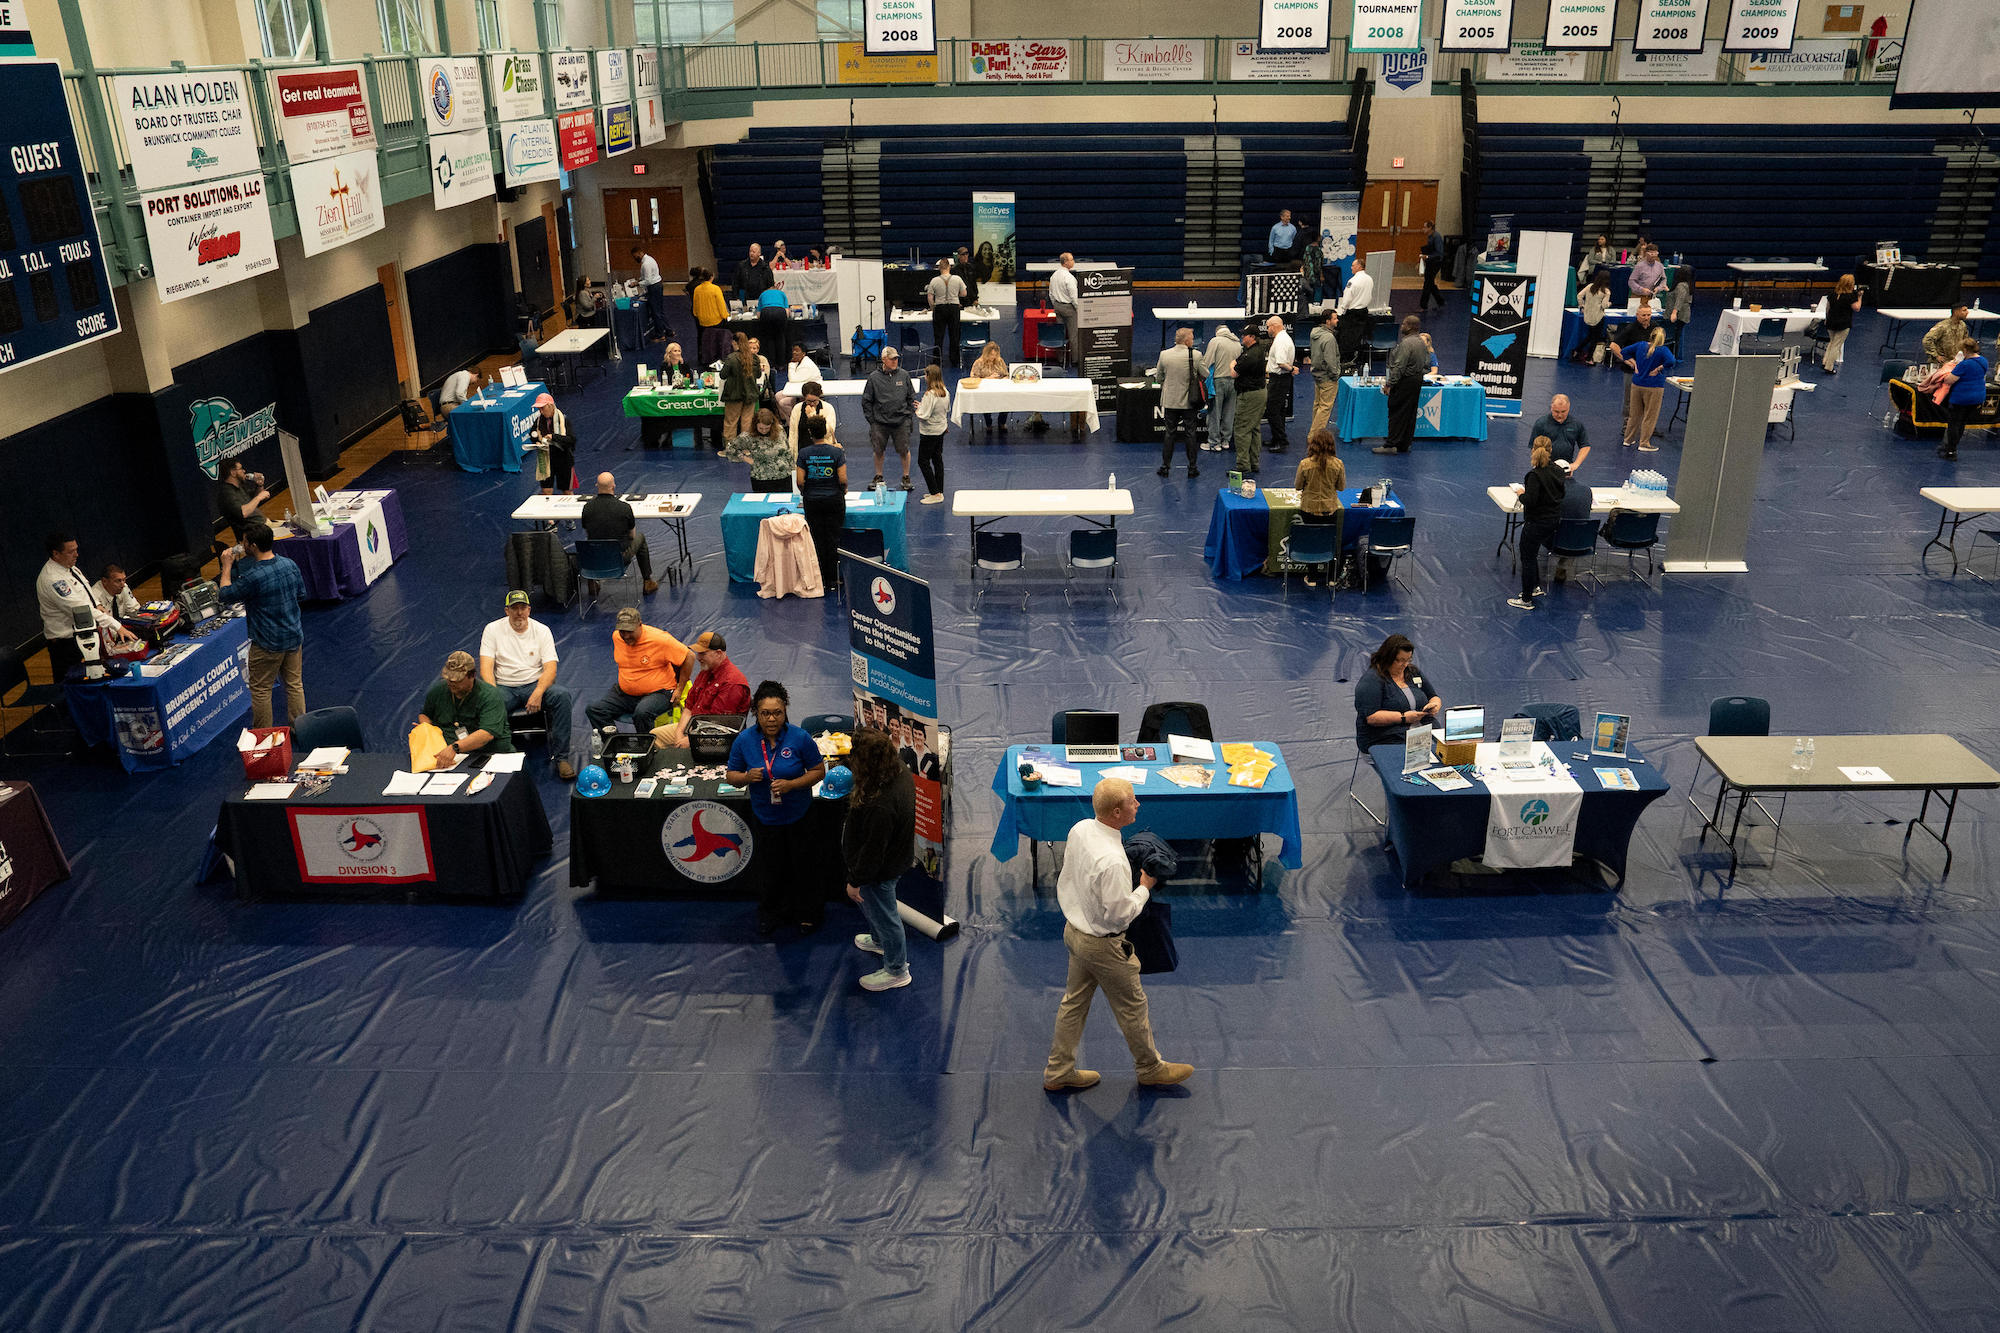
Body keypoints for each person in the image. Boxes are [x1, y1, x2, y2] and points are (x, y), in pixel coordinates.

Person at [1042, 776, 1195, 1093]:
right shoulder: (1113, 863)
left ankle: (1058, 1071)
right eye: (1132, 801)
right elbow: (1120, 913)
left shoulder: (1081, 829)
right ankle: (1150, 1068)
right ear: (1115, 812)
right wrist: (1144, 888)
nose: (1138, 804)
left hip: (1076, 933)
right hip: (1104, 946)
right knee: (1133, 1007)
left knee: (1074, 1003)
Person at [726, 680, 827, 936]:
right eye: (765, 713)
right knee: (771, 869)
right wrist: (747, 777)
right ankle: (772, 912)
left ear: (785, 711)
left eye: (777, 712)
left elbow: (818, 771)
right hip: (765, 817)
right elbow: (731, 775)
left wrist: (793, 784)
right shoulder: (744, 741)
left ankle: (808, 913)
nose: (771, 719)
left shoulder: (800, 737)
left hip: (799, 815)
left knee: (804, 866)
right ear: (756, 714)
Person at [843, 726, 915, 991]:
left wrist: (855, 880)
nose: (851, 761)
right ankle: (878, 940)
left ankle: (897, 970)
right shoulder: (897, 769)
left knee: (886, 917)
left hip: (879, 872)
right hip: (893, 860)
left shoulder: (880, 804)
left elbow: (873, 852)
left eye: (855, 757)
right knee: (876, 910)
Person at [476, 591, 575, 778]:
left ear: (529, 610)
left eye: (523, 608)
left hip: (534, 684)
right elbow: (486, 668)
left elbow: (550, 669)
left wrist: (538, 692)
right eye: (514, 608)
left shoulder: (542, 630)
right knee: (486, 706)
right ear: (507, 611)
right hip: (504, 687)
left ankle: (562, 758)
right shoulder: (492, 629)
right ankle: (496, 755)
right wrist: (493, 695)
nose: (519, 613)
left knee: (561, 696)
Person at [215, 523, 304, 728]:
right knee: (294, 685)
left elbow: (225, 595)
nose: (242, 545)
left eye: (244, 542)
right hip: (293, 636)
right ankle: (301, 729)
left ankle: (264, 737)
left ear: (253, 545)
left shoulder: (253, 576)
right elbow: (301, 594)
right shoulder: (290, 564)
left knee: (262, 690)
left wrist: (227, 566)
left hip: (267, 643)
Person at [36, 533, 136, 679]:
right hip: (66, 646)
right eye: (71, 551)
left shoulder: (71, 568)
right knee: (72, 689)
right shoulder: (53, 579)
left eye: (76, 549)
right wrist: (116, 625)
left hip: (84, 637)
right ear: (55, 553)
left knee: (92, 681)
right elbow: (82, 611)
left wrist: (97, 604)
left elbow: (85, 592)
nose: (76, 554)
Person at [585, 607, 692, 736]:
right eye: (622, 631)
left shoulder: (660, 639)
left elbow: (689, 656)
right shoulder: (616, 637)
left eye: (630, 631)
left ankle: (647, 749)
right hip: (625, 694)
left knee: (642, 713)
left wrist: (680, 689)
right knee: (595, 710)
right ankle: (616, 746)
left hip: (659, 692)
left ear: (640, 625)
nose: (626, 636)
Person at [655, 630, 751, 747]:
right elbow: (689, 707)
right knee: (655, 736)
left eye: (703, 653)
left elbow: (719, 725)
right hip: (694, 726)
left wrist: (691, 740)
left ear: (719, 653)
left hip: (718, 736)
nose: (698, 657)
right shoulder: (705, 672)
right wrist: (679, 732)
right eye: (698, 653)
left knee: (684, 746)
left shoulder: (732, 683)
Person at [419, 650, 514, 768]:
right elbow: (425, 715)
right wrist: (426, 729)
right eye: (449, 678)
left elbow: (486, 734)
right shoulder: (438, 690)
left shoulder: (490, 695)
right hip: (450, 757)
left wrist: (455, 747)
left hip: (488, 753)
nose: (451, 682)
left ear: (472, 676)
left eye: (457, 679)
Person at [1353, 633, 1441, 752]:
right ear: (1387, 657)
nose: (1404, 665)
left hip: (1423, 734)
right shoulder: (1372, 680)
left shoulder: (1412, 671)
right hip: (1386, 740)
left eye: (1408, 660)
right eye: (1400, 660)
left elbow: (1433, 696)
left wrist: (1434, 705)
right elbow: (1372, 717)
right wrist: (1404, 718)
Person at [581, 472, 660, 594]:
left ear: (597, 486)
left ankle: (592, 582)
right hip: (618, 559)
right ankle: (647, 581)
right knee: (640, 537)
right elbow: (632, 536)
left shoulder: (587, 507)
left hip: (595, 559)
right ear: (613, 486)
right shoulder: (624, 508)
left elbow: (588, 533)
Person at [1509, 444, 1566, 610]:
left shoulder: (1534, 475)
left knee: (1528, 557)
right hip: (1553, 521)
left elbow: (1529, 500)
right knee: (1532, 555)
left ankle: (1526, 599)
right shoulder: (1558, 471)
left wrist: (1521, 493)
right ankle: (1534, 587)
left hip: (1536, 522)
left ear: (1533, 450)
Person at [795, 414, 848, 590]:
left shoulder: (804, 453)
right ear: (825, 431)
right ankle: (834, 579)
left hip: (813, 501)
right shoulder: (836, 452)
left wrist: (807, 492)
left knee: (817, 539)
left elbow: (800, 481)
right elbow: (842, 478)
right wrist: (842, 491)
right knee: (833, 538)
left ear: (810, 433)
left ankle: (820, 579)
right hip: (834, 500)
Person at [1294, 430, 1345, 587]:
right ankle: (1332, 577)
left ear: (1313, 445)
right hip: (1329, 509)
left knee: (1311, 541)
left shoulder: (1305, 464)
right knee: (1330, 541)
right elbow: (1341, 487)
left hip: (1309, 509)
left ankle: (1312, 577)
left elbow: (1298, 486)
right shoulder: (1338, 464)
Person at [862, 345, 917, 491]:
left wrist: (908, 415)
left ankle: (906, 477)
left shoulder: (904, 375)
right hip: (880, 423)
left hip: (901, 421)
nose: (895, 361)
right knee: (878, 450)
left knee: (904, 450)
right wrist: (872, 421)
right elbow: (866, 400)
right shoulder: (874, 378)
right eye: (892, 359)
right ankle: (878, 476)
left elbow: (911, 396)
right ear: (884, 360)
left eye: (896, 359)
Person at [1150, 326, 1203, 479]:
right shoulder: (1196, 355)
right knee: (1190, 433)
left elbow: (1158, 377)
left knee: (1169, 433)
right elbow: (1204, 374)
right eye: (1192, 338)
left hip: (1170, 400)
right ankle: (1192, 468)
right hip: (1189, 401)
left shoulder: (1164, 355)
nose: (1193, 340)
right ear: (1187, 341)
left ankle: (1165, 467)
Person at [1376, 315, 1428, 456]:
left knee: (1396, 411)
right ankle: (1404, 444)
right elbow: (1427, 365)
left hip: (1405, 381)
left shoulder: (1406, 344)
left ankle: (1391, 445)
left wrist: (1389, 384)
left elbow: (1399, 366)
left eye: (1404, 324)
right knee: (1410, 413)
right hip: (1417, 380)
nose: (1402, 326)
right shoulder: (1421, 342)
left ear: (1410, 326)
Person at [1620, 326, 1676, 453]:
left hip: (1637, 384)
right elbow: (1671, 361)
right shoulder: (1663, 350)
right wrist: (1659, 368)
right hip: (1654, 386)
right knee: (1650, 415)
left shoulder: (1640, 345)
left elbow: (1624, 352)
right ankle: (1644, 442)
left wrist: (1634, 364)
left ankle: (1628, 439)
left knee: (1634, 414)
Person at [1938, 337, 1989, 461]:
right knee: (1962, 423)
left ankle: (1951, 451)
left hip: (1962, 398)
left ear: (1965, 350)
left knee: (1954, 424)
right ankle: (1953, 447)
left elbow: (1949, 380)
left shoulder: (1964, 365)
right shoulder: (1983, 361)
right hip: (1977, 397)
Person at [725, 407, 795, 496]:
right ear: (755, 425)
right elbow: (730, 448)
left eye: (767, 428)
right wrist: (745, 458)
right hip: (761, 479)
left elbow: (787, 451)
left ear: (772, 425)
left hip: (784, 476)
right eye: (761, 428)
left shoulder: (780, 430)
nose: (764, 431)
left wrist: (793, 470)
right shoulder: (748, 437)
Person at [1230, 324, 1269, 477]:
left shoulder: (1250, 355)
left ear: (1252, 337)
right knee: (1254, 428)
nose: (1242, 337)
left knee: (1241, 429)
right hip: (1259, 393)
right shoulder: (1256, 351)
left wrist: (1232, 364)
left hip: (1249, 395)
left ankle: (1243, 466)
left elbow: (1233, 372)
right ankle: (1253, 463)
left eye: (1244, 335)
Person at [1615, 306, 1657, 442]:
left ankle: (1647, 426)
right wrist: (1628, 361)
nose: (1646, 318)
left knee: (1649, 400)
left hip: (1649, 371)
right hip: (1632, 372)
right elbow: (1614, 346)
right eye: (1643, 315)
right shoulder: (1630, 329)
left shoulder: (1655, 328)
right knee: (1630, 400)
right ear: (1637, 315)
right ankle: (1626, 426)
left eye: (1649, 315)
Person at [719, 332, 766, 442]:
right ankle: (746, 448)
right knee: (747, 422)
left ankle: (730, 449)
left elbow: (723, 375)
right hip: (750, 394)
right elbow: (758, 375)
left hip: (733, 395)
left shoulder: (731, 358)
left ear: (734, 342)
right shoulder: (754, 358)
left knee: (731, 422)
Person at [1202, 321, 1241, 452]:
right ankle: (1226, 441)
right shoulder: (1237, 343)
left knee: (1214, 413)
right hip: (1234, 382)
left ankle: (1214, 443)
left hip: (1218, 382)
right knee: (1229, 413)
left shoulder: (1215, 341)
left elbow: (1207, 362)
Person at [915, 364, 951, 504]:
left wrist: (918, 410)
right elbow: (944, 409)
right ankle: (939, 490)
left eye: (926, 375)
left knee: (923, 461)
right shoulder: (945, 391)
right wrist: (922, 405)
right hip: (940, 430)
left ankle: (935, 493)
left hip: (929, 432)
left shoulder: (930, 394)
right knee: (937, 459)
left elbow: (923, 415)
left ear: (929, 377)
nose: (925, 378)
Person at [526, 392, 575, 494]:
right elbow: (533, 433)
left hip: (563, 460)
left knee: (567, 492)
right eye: (539, 409)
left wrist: (554, 437)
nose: (541, 411)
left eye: (542, 408)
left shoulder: (563, 420)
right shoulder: (539, 420)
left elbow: (571, 440)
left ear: (550, 406)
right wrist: (537, 441)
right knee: (546, 491)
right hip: (546, 459)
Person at [926, 258, 968, 371]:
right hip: (953, 308)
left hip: (940, 308)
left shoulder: (934, 280)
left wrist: (933, 307)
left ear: (939, 268)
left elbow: (930, 297)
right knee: (954, 335)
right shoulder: (957, 279)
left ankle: (937, 360)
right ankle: (954, 360)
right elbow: (964, 293)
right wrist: (955, 294)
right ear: (949, 267)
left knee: (938, 336)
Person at [1263, 314, 1297, 454]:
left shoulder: (1281, 341)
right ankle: (1278, 438)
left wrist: (1292, 369)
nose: (1267, 329)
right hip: (1281, 379)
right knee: (1279, 410)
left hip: (1279, 378)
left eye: (1268, 327)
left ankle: (1280, 440)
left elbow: (1281, 363)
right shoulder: (1282, 338)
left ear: (1275, 326)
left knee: (1272, 410)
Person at [1530, 394, 1590, 472]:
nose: (1560, 415)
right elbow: (1534, 447)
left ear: (1569, 408)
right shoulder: (1541, 423)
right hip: (1544, 468)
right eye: (1556, 411)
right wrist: (1539, 465)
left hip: (1565, 468)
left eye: (1563, 411)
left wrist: (1576, 464)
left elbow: (1585, 446)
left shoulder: (1576, 424)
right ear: (1551, 408)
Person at [214, 458, 269, 544]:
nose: (244, 471)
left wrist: (260, 485)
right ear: (233, 472)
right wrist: (259, 498)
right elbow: (243, 512)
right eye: (241, 469)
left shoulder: (240, 486)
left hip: (262, 526)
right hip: (253, 535)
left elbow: (253, 502)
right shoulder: (226, 494)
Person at [1336, 254, 1375, 369]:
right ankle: (1357, 358)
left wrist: (1341, 312)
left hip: (1352, 313)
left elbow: (1347, 299)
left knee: (1347, 337)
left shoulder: (1352, 281)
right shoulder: (1369, 279)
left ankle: (1345, 360)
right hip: (1364, 312)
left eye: (1353, 266)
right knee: (1358, 336)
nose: (1351, 268)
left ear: (1359, 266)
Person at [1308, 306, 1341, 436]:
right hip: (1328, 377)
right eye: (1335, 318)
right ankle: (1314, 437)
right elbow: (1331, 360)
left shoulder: (1315, 334)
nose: (1337, 320)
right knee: (1325, 408)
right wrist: (1336, 374)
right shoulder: (1329, 338)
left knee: (1318, 405)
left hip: (1317, 374)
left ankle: (1314, 433)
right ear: (1328, 321)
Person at [1572, 271, 1615, 366]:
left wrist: (1582, 306)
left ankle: (1577, 350)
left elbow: (1579, 296)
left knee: (1590, 336)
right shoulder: (1606, 291)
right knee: (1594, 338)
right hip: (1598, 317)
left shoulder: (1590, 286)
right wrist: (1609, 304)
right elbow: (1604, 305)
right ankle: (1589, 358)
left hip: (1588, 315)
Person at [967, 341, 1010, 434]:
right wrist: (988, 378)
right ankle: (988, 424)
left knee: (1007, 399)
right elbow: (973, 378)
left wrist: (1002, 379)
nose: (993, 357)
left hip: (999, 388)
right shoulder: (978, 363)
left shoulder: (999, 361)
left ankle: (1002, 422)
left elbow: (1006, 375)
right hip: (984, 389)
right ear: (986, 353)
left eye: (995, 355)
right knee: (986, 402)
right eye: (991, 355)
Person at [690, 266, 729, 366]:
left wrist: (698, 315)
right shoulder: (715, 289)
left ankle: (704, 358)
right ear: (711, 277)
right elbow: (721, 305)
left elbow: (695, 306)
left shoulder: (697, 289)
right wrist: (725, 316)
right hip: (716, 321)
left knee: (704, 339)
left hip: (702, 321)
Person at [1823, 274, 1862, 373]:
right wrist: (1860, 297)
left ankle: (1825, 361)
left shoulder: (1832, 294)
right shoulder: (1850, 296)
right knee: (1837, 345)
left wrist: (1826, 319)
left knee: (1832, 342)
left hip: (1831, 321)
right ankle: (1829, 366)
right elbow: (1857, 308)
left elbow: (1828, 308)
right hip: (1843, 323)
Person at [629, 244, 668, 342]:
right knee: (660, 310)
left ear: (639, 253)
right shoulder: (650, 259)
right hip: (657, 285)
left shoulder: (646, 264)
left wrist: (637, 283)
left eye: (635, 256)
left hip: (654, 287)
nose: (635, 259)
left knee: (656, 312)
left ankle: (660, 335)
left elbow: (649, 280)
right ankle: (668, 330)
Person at [786, 381, 838, 453]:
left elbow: (828, 432)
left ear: (819, 397)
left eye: (815, 401)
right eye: (809, 401)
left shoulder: (828, 408)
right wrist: (791, 451)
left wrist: (812, 415)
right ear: (804, 398)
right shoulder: (797, 408)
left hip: (822, 452)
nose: (812, 404)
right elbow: (793, 433)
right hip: (802, 449)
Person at [1048, 253, 1079, 369]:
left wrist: (1055, 305)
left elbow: (1050, 294)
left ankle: (1060, 359)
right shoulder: (1069, 278)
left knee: (1060, 333)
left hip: (1057, 307)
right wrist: (1078, 310)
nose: (1073, 261)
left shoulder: (1054, 275)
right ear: (1066, 262)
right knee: (1073, 335)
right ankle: (1075, 360)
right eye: (1072, 259)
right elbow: (1074, 298)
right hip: (1069, 308)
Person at [774, 344, 821, 419]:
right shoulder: (799, 361)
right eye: (793, 350)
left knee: (783, 403)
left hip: (811, 391)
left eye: (797, 351)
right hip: (800, 388)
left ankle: (796, 421)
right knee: (777, 396)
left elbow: (793, 380)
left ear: (803, 353)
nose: (794, 353)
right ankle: (787, 420)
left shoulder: (807, 365)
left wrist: (791, 364)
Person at [1665, 263, 1696, 357]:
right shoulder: (1687, 284)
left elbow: (1680, 299)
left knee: (1674, 337)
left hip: (1680, 315)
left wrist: (1674, 313)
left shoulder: (1681, 286)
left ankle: (1672, 356)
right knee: (1676, 336)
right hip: (1683, 313)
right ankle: (1673, 355)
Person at [1417, 220, 1446, 311]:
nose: (1423, 229)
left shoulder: (1436, 237)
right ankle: (1440, 301)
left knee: (1427, 283)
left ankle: (1423, 305)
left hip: (1436, 262)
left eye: (1425, 227)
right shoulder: (1430, 237)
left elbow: (1439, 253)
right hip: (1431, 262)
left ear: (1430, 228)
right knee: (1430, 283)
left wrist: (1428, 256)